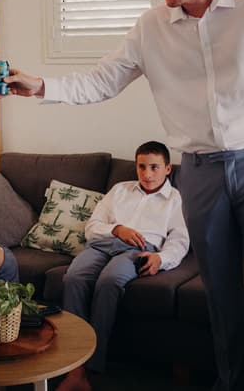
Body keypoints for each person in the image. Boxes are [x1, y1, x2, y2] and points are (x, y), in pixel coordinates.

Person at [5, 0, 244, 391]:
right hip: (197, 171)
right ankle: (232, 381)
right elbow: (101, 81)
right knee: (220, 293)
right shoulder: (150, 27)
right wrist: (41, 86)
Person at [58, 141, 189, 391]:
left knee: (110, 281)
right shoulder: (119, 190)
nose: (147, 174)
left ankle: (89, 368)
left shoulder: (175, 200)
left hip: (138, 251)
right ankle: (74, 365)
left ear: (168, 169)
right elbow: (92, 226)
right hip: (102, 244)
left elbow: (180, 240)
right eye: (142, 167)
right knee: (72, 277)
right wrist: (117, 229)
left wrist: (161, 259)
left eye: (154, 167)